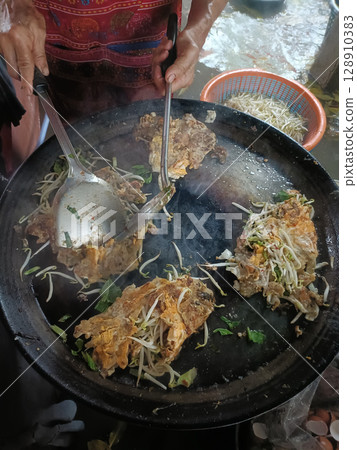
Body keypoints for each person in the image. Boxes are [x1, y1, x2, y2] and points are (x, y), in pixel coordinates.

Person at [0, 0, 228, 120]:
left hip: (152, 49)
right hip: (55, 40)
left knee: (149, 124)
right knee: (77, 128)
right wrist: (11, 6)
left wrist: (196, 34)